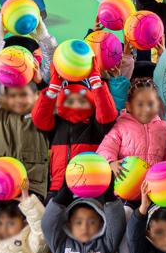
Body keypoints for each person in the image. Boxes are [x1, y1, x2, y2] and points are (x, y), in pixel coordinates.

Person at [33, 58, 117, 203]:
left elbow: (108, 115)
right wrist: (53, 89)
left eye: (82, 100)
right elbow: (39, 119)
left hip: (91, 186)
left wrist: (96, 83)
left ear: (92, 101)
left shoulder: (97, 123)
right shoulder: (57, 123)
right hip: (58, 187)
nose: (76, 104)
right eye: (70, 101)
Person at [0, 61, 50, 199]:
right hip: (2, 178)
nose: (18, 100)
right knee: (4, 212)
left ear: (35, 96)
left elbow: (49, 105)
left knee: (30, 211)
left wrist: (41, 83)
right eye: (12, 96)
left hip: (31, 182)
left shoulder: (40, 114)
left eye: (23, 95)